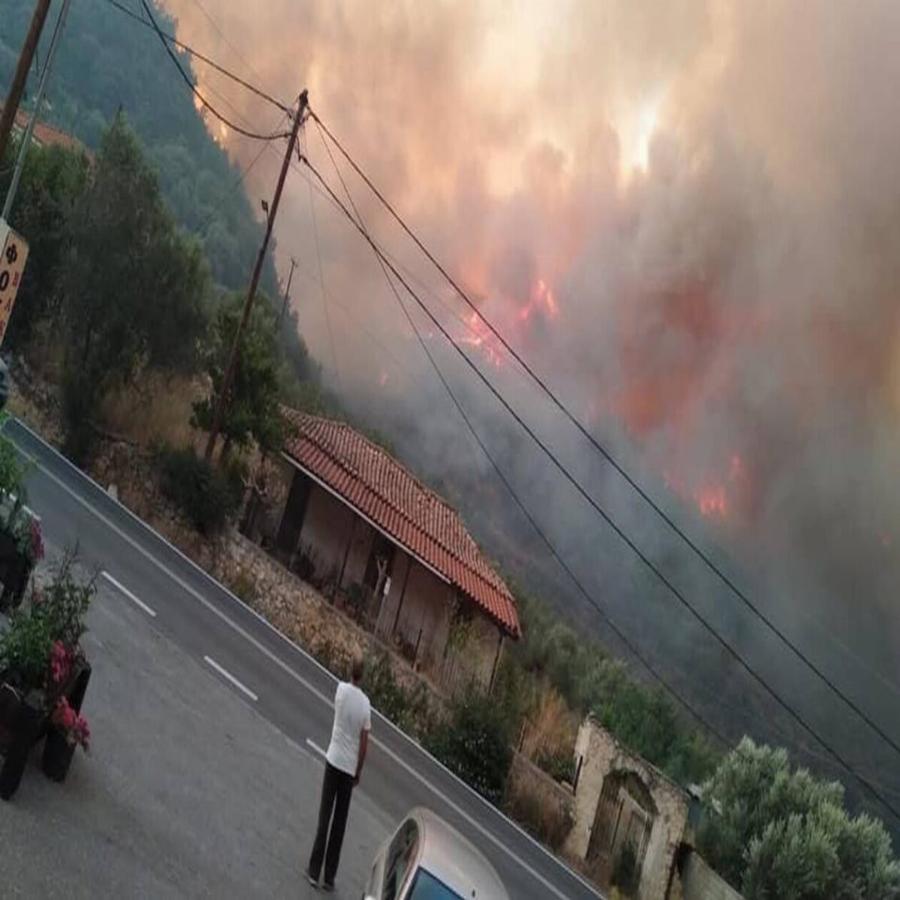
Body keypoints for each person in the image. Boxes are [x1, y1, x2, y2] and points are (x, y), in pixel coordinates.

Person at [306, 657, 371, 891]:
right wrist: (358, 770)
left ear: (350, 672)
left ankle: (314, 870)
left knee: (325, 816)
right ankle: (329, 877)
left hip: (333, 759)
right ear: (363, 676)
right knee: (339, 824)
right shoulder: (366, 705)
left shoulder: (340, 690)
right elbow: (364, 744)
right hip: (348, 768)